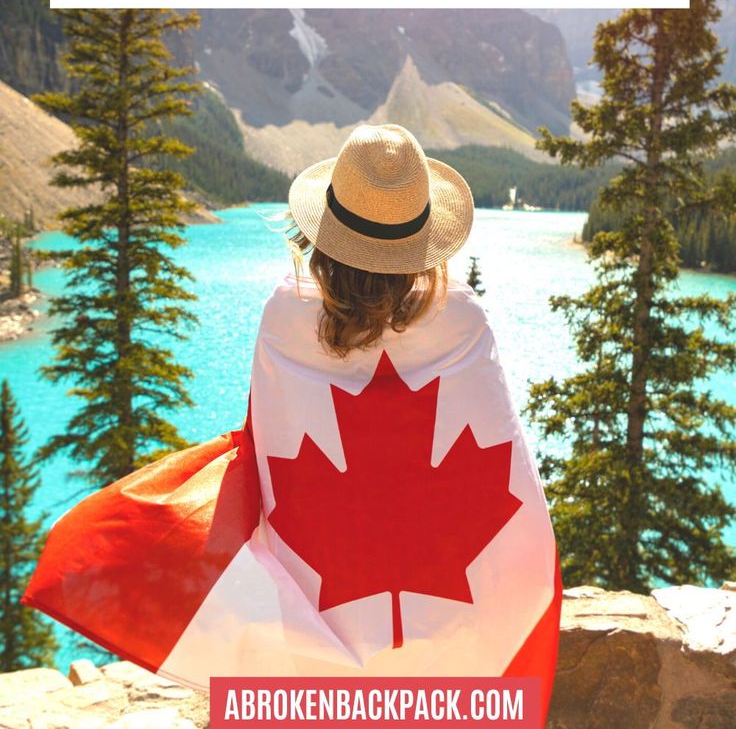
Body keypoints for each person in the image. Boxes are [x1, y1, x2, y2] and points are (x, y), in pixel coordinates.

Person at [21, 124, 561, 720]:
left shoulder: (285, 314)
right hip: (453, 626)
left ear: (324, 236)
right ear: (424, 244)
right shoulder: (462, 318)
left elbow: (265, 441)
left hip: (318, 619)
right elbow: (506, 463)